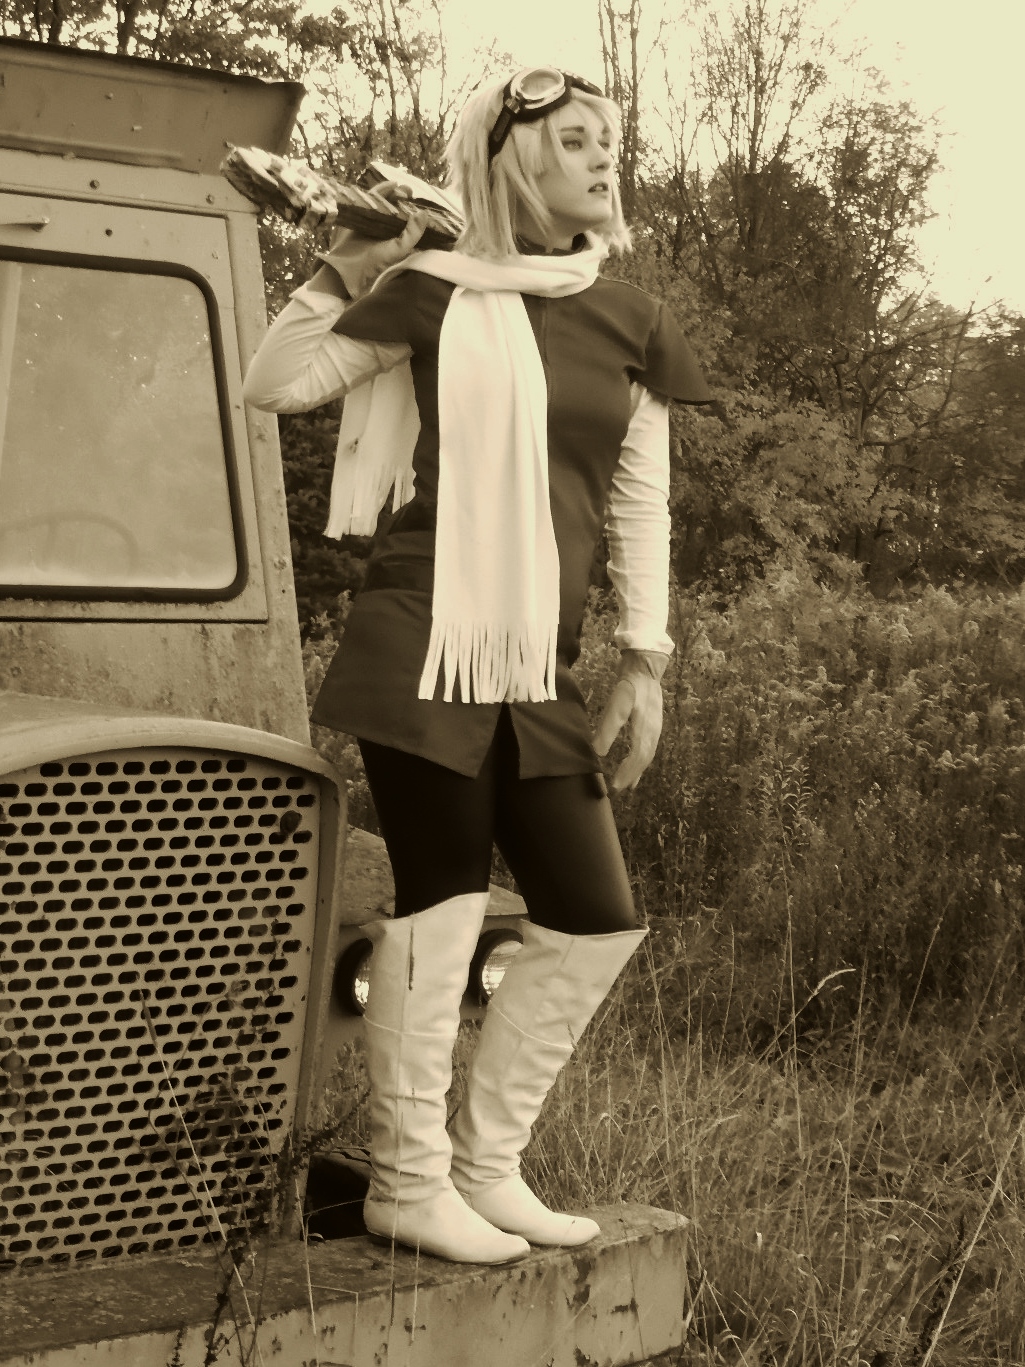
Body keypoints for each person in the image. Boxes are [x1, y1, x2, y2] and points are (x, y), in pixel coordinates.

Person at [243, 66, 712, 1267]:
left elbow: (638, 501)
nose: (604, 158)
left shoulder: (630, 314)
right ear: (518, 159)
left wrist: (645, 656)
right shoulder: (430, 290)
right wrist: (347, 262)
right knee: (442, 905)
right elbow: (275, 384)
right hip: (424, 632)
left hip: (534, 656)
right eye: (577, 139)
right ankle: (407, 1184)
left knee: (594, 916)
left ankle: (484, 1165)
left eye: (609, 139)